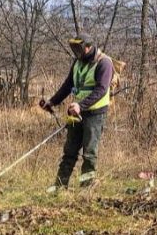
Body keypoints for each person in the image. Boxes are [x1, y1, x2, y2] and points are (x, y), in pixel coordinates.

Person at [39, 36, 114, 190]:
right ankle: (60, 186)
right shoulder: (77, 62)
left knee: (89, 152)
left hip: (95, 114)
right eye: (74, 49)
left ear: (89, 47)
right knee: (69, 150)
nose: (76, 52)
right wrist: (52, 101)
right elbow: (68, 85)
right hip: (76, 112)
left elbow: (101, 89)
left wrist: (81, 105)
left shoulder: (104, 63)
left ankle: (86, 187)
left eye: (79, 49)